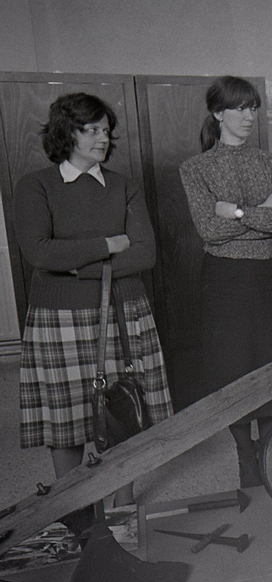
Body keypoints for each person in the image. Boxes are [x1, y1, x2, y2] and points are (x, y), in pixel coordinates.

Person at [14, 92, 173, 527]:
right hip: (59, 318)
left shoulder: (124, 185)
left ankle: (122, 506)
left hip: (124, 311)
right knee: (65, 419)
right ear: (66, 133)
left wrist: (77, 267)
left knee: (126, 411)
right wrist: (108, 244)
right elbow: (39, 252)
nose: (102, 138)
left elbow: (145, 254)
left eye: (106, 130)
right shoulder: (35, 186)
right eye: (91, 130)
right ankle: (74, 510)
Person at [179, 76, 272, 488]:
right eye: (239, 108)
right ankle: (244, 455)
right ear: (218, 113)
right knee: (231, 368)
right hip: (224, 279)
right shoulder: (196, 168)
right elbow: (209, 231)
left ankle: (268, 452)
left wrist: (233, 211)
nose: (249, 116)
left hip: (267, 277)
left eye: (253, 108)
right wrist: (260, 210)